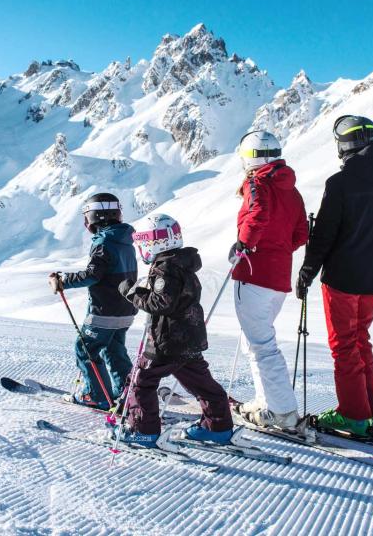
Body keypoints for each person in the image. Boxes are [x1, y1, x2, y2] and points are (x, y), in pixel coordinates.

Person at [297, 115, 373, 436]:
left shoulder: (339, 185)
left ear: (346, 145)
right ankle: (368, 411)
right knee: (361, 342)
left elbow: (323, 238)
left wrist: (307, 274)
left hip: (341, 280)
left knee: (344, 347)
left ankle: (353, 415)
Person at [114, 213, 234, 448]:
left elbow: (162, 302)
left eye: (143, 241)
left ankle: (142, 431)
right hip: (189, 338)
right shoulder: (183, 263)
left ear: (156, 241)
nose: (141, 248)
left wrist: (132, 292)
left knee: (143, 381)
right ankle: (218, 426)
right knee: (201, 381)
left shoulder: (165, 267)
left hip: (166, 341)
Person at [230, 130, 308, 429]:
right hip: (278, 279)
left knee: (261, 344)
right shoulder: (291, 189)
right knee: (257, 343)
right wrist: (278, 248)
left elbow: (257, 213)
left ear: (249, 157)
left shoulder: (256, 182)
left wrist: (244, 244)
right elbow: (301, 233)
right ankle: (267, 403)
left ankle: (282, 412)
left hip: (253, 273)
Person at [49, 192, 137, 410]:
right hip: (125, 310)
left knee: (85, 349)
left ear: (95, 217)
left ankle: (96, 395)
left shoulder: (104, 242)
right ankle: (128, 396)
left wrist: (63, 281)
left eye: (86, 216)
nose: (85, 221)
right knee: (114, 351)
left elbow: (92, 275)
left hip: (104, 312)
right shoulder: (125, 240)